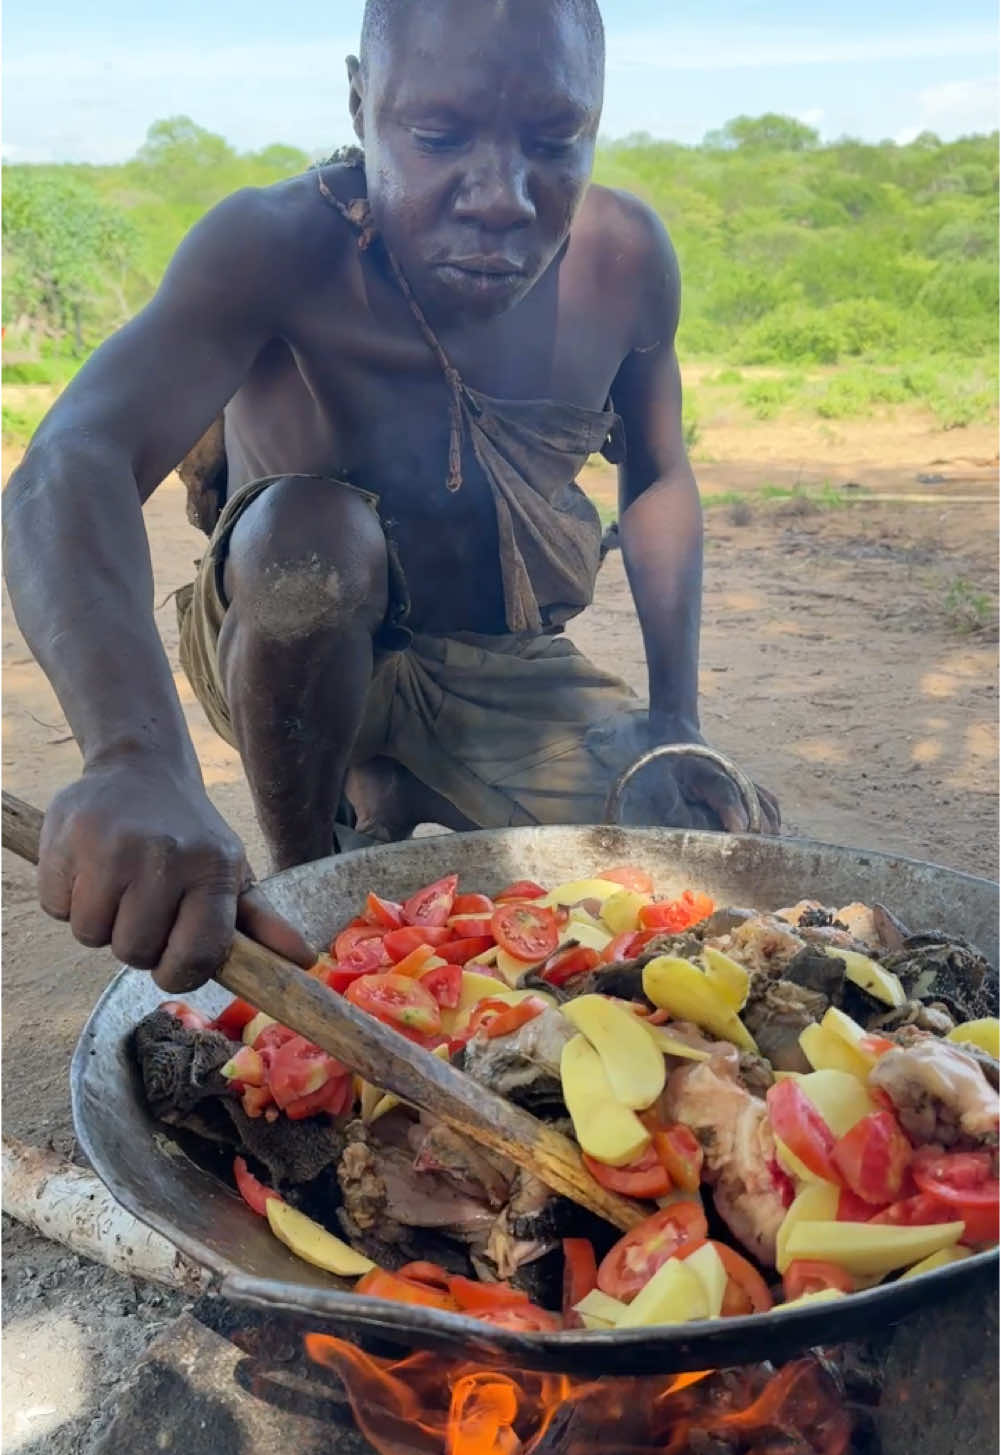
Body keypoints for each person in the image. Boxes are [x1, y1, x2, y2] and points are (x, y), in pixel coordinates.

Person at [3, 0, 779, 994]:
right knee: (307, 543)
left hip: (499, 665)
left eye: (552, 141)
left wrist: (675, 716)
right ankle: (313, 880)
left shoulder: (625, 262)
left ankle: (399, 786)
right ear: (362, 102)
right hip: (282, 640)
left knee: (703, 888)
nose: (499, 195)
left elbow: (659, 476)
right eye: (438, 134)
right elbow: (74, 458)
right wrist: (130, 754)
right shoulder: (275, 246)